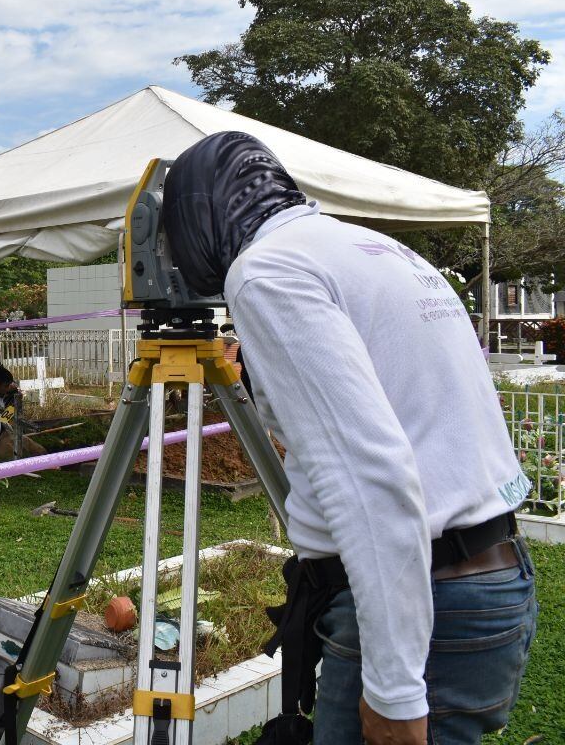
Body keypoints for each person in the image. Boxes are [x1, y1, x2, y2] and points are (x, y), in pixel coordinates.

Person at [159, 131, 535, 745]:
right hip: (487, 576)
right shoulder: (370, 248)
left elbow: (370, 476)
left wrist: (394, 694)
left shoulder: (267, 272)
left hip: (428, 605)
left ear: (196, 219)